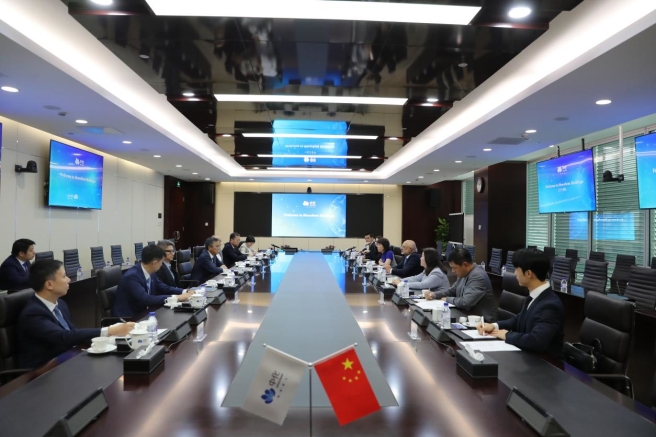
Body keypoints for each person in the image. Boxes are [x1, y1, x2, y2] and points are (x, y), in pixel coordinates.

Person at [17, 259, 135, 368]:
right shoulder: (33, 314)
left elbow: (73, 333)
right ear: (49, 285)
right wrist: (109, 330)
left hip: (69, 358)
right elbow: (64, 337)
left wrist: (109, 340)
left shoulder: (60, 304)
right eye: (64, 276)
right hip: (44, 370)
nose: (69, 280)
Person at [478, 248, 565, 357]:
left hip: (544, 362)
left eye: (517, 269)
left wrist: (507, 335)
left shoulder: (550, 306)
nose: (515, 273)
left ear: (528, 273)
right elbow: (519, 319)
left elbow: (536, 341)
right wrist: (495, 325)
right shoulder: (534, 295)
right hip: (528, 356)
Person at [113, 244, 193, 317]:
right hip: (129, 318)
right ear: (154, 263)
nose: (162, 264)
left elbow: (163, 287)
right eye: (161, 262)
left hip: (145, 313)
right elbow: (147, 299)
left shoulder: (150, 272)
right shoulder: (132, 277)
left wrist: (184, 291)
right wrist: (176, 297)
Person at [430, 248, 497, 322]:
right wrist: (434, 294)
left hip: (482, 322)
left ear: (465, 264)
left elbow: (466, 302)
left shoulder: (478, 276)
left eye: (454, 268)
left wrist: (447, 299)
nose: (453, 271)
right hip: (466, 316)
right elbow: (451, 291)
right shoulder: (463, 273)